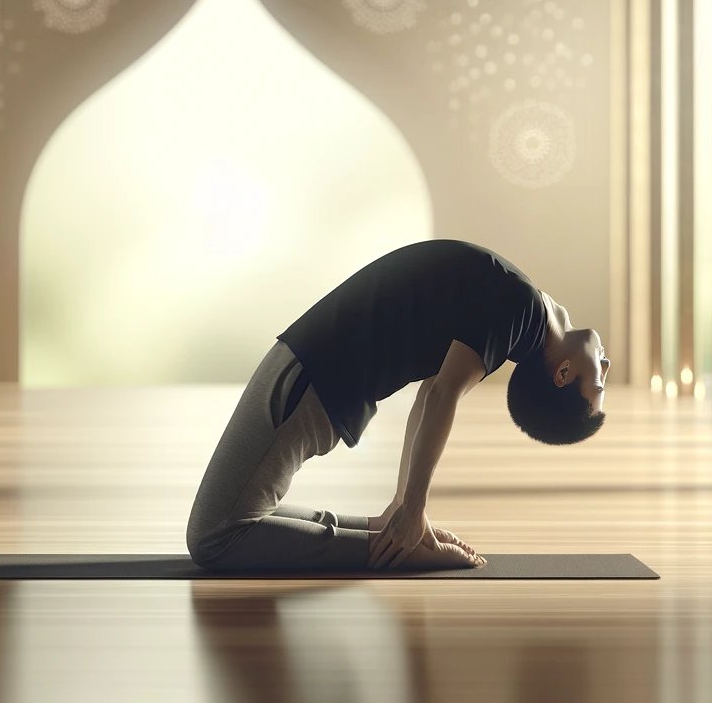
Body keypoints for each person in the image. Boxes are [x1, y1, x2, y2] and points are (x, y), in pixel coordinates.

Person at [186, 239, 610, 573]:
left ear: (563, 374)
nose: (605, 365)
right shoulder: (520, 309)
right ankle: (389, 537)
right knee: (233, 525)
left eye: (598, 383)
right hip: (308, 376)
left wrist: (409, 507)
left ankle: (387, 546)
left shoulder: (517, 312)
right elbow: (433, 396)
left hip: (310, 381)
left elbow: (437, 396)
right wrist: (405, 509)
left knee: (215, 537)